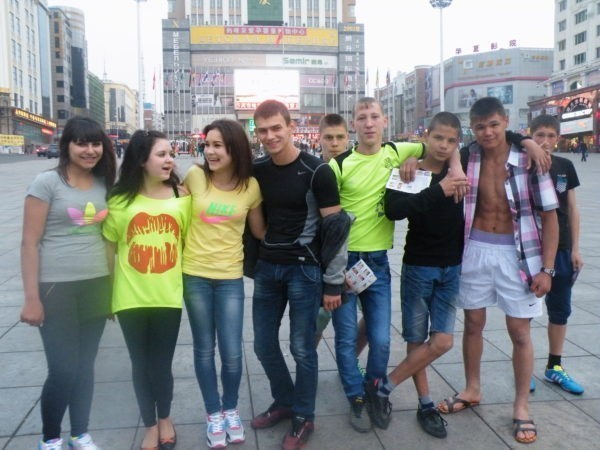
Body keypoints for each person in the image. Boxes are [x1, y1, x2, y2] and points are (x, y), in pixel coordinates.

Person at [329, 97, 464, 433]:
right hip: (345, 260)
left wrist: (456, 165)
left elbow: (445, 143)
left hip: (377, 262)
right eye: (362, 117)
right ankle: (356, 397)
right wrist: (330, 271)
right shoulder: (338, 165)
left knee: (381, 339)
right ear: (353, 123)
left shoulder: (397, 151)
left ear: (384, 120)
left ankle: (376, 390)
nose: (369, 123)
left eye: (374, 116)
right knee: (345, 338)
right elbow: (329, 220)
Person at [437, 97, 558, 445]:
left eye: (493, 124)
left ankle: (521, 406)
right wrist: (413, 160)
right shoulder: (467, 157)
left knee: (519, 331)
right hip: (474, 249)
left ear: (505, 121)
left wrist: (547, 269)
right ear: (472, 129)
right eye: (480, 127)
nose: (487, 132)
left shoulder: (529, 159)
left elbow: (550, 216)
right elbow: (432, 148)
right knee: (473, 324)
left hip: (518, 254)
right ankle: (472, 388)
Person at [250, 100, 348, 450]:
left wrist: (334, 282)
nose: (270, 136)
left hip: (304, 269)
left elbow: (336, 229)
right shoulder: (257, 169)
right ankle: (285, 401)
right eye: (263, 130)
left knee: (302, 348)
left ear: (291, 127)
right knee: (263, 344)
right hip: (267, 267)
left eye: (276, 128)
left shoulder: (317, 171)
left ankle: (304, 416)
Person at [369, 112, 467, 439]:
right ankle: (425, 404)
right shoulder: (411, 171)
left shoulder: (459, 167)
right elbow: (394, 209)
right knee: (416, 339)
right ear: (426, 136)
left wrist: (456, 163)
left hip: (452, 267)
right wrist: (438, 189)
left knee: (443, 341)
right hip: (419, 267)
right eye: (438, 137)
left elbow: (499, 137)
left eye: (451, 140)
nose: (444, 145)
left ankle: (384, 387)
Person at [20, 116, 116, 450]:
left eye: (95, 143)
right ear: (67, 146)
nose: (90, 150)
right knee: (63, 368)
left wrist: (112, 291)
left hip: (96, 284)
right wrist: (31, 298)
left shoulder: (105, 183)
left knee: (85, 366)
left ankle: (79, 433)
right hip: (55, 287)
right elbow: (29, 243)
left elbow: (109, 241)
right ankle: (50, 439)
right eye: (81, 143)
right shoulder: (47, 183)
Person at [102, 130, 191, 450]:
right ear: (141, 160)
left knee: (161, 364)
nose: (170, 160)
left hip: (167, 296)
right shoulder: (119, 200)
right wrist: (108, 296)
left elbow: (185, 243)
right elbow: (110, 249)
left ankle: (165, 418)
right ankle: (150, 425)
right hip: (130, 298)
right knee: (140, 364)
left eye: (171, 154)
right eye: (161, 154)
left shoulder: (181, 197)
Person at [182, 120, 265, 449]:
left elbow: (259, 232)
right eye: (208, 145)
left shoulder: (251, 187)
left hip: (230, 277)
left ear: (235, 148)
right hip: (195, 275)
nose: (210, 151)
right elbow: (172, 213)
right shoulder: (194, 176)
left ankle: (230, 409)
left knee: (231, 352)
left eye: (218, 145)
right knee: (204, 349)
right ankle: (213, 412)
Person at [529, 115, 584, 395]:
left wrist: (575, 248)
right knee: (523, 310)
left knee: (560, 309)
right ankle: (523, 367)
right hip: (530, 249)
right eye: (540, 135)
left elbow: (571, 208)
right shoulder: (522, 166)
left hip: (561, 247)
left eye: (551, 135)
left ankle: (555, 366)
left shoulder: (564, 166)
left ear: (558, 138)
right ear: (531, 136)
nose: (545, 141)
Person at [314, 114, 367, 358]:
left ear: (348, 138)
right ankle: (308, 364)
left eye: (339, 137)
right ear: (319, 139)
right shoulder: (313, 172)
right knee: (318, 320)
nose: (334, 143)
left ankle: (350, 360)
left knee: (373, 317)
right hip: (324, 260)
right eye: (328, 137)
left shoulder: (359, 168)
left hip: (358, 256)